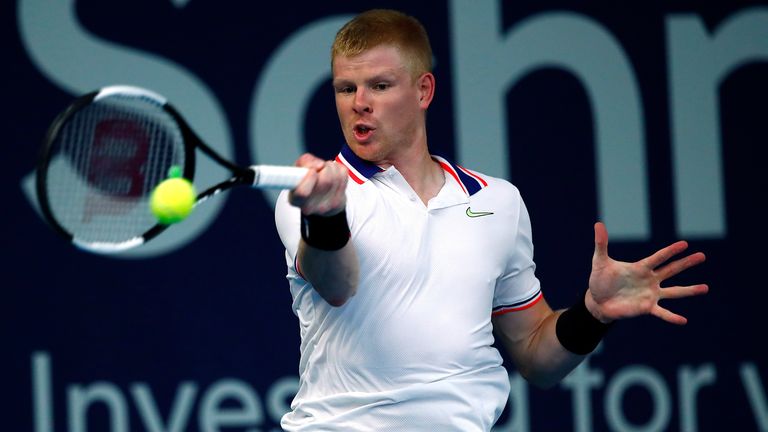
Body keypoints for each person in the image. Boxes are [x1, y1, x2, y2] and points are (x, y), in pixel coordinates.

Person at [274, 8, 708, 431]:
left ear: (424, 91)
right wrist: (327, 214)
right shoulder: (312, 197)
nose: (360, 104)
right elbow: (336, 284)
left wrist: (593, 314)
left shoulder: (498, 202)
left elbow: (536, 357)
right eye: (345, 89)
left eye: (379, 86)